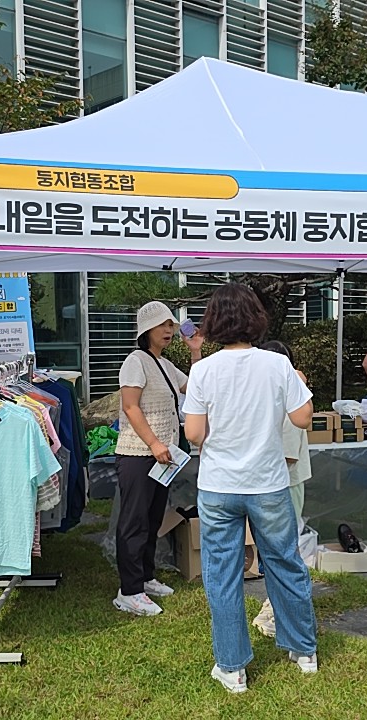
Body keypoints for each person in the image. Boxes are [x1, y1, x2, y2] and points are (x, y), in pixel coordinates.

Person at [182, 283, 317, 694]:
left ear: (213, 322)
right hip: (268, 482)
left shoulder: (203, 370)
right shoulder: (277, 364)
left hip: (219, 484)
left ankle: (232, 667)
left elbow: (194, 434)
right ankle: (303, 650)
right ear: (256, 318)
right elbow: (303, 419)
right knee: (284, 562)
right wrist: (298, 383)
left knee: (223, 573)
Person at [112, 301, 203, 617]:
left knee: (152, 519)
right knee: (134, 521)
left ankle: (145, 577)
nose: (168, 330)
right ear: (146, 329)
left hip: (163, 456)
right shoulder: (135, 361)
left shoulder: (164, 364)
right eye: (162, 325)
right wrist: (153, 443)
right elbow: (130, 406)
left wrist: (195, 352)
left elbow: (194, 388)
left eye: (170, 325)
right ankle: (129, 591)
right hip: (138, 454)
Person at [251, 340, 312, 639]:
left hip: (281, 484)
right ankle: (278, 607)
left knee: (281, 552)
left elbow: (286, 457)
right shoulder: (279, 396)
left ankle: (278, 612)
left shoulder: (289, 399)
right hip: (276, 483)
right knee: (276, 551)